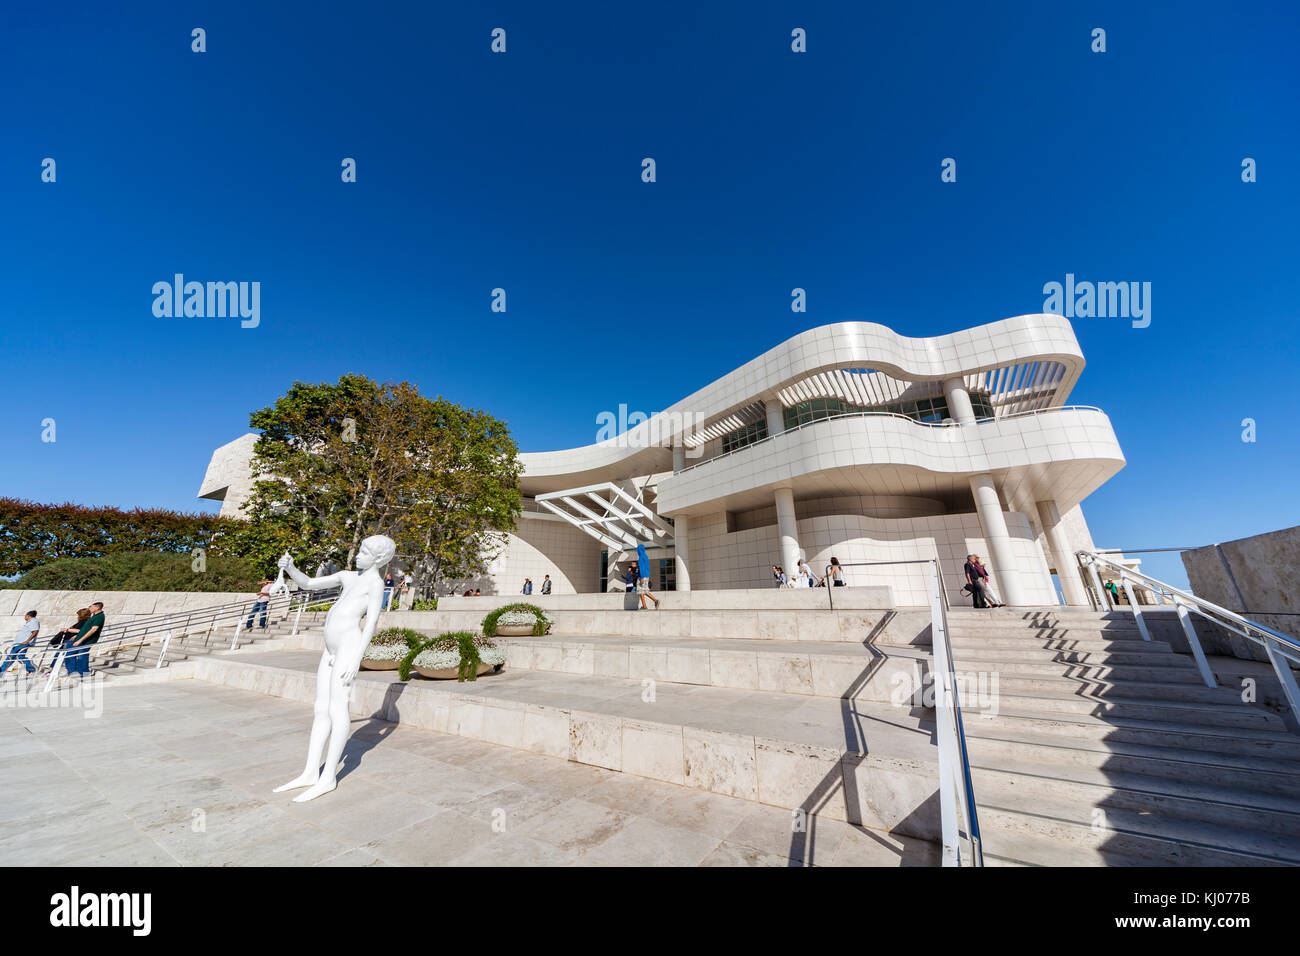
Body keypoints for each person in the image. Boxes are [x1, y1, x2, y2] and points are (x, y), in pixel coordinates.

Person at [64, 601, 105, 678]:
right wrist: (77, 636)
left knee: (76, 655)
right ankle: (78, 672)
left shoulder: (100, 616)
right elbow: (86, 629)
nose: (89, 608)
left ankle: (77, 672)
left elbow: (93, 629)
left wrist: (80, 640)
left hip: (86, 641)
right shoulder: (94, 616)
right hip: (81, 639)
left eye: (91, 607)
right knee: (79, 655)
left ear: (97, 607)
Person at [1, 611, 40, 677]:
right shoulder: (31, 622)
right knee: (19, 657)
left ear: (28, 615)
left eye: (25, 615)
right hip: (19, 643)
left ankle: (1, 671)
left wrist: (27, 641)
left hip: (22, 643)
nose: (24, 617)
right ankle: (31, 669)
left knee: (12, 657)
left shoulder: (33, 621)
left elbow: (35, 631)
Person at [635, 544, 659, 609]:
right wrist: (648, 577)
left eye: (637, 550)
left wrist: (642, 577)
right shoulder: (646, 556)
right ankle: (654, 601)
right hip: (646, 576)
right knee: (644, 591)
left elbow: (641, 568)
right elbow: (648, 568)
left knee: (641, 591)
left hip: (641, 577)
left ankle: (645, 606)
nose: (637, 551)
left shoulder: (641, 557)